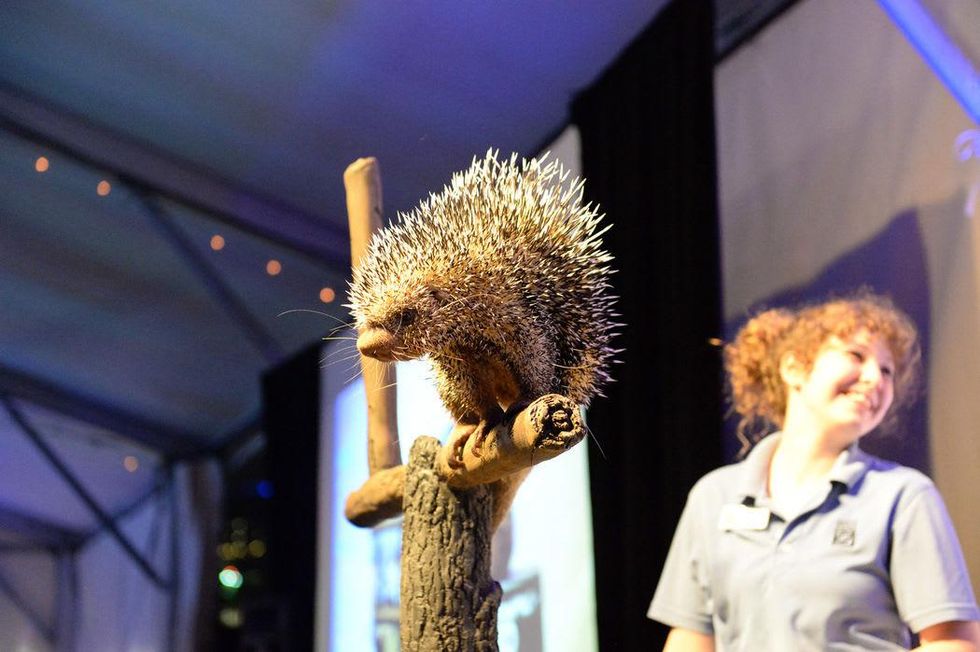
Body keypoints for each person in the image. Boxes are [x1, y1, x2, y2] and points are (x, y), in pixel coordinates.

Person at [648, 292, 980, 651]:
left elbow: (955, 644)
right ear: (794, 368)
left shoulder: (903, 497)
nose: (875, 378)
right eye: (856, 355)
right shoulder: (713, 496)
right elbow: (691, 638)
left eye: (888, 371)